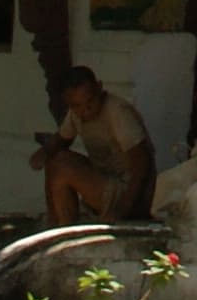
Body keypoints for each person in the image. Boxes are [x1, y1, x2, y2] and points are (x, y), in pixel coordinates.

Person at [34, 67, 155, 226]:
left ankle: (62, 229)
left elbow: (142, 161)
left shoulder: (117, 111)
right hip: (106, 182)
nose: (85, 110)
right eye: (77, 106)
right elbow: (62, 140)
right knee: (54, 161)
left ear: (99, 88)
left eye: (90, 102)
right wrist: (44, 152)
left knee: (62, 167)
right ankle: (57, 224)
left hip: (129, 193)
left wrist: (122, 208)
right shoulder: (76, 113)